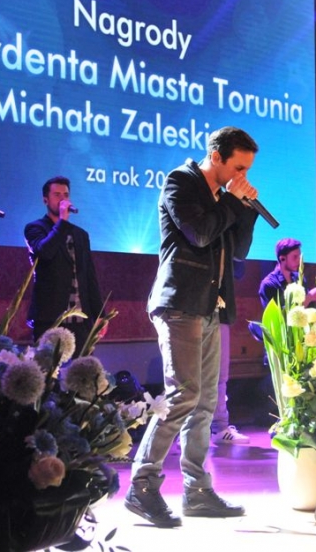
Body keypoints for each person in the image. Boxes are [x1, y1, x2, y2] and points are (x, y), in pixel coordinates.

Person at [126, 126, 260, 528]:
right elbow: (199, 234)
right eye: (238, 167)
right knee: (182, 395)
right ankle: (142, 484)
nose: (242, 176)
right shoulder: (180, 181)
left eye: (247, 170)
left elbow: (238, 251)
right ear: (216, 157)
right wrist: (232, 201)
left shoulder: (224, 197)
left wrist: (246, 211)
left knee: (204, 403)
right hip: (180, 302)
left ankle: (197, 490)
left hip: (210, 306)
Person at [24, 176, 105, 350]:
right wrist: (62, 222)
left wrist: (100, 314)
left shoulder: (81, 234)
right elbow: (45, 252)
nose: (62, 199)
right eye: (57, 195)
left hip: (81, 319)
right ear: (45, 199)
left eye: (66, 195)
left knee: (82, 365)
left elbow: (90, 276)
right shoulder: (35, 228)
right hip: (50, 318)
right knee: (48, 366)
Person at [212, 259, 250, 445]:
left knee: (220, 376)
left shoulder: (227, 246)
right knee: (193, 377)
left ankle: (219, 428)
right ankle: (189, 431)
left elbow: (238, 270)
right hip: (192, 310)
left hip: (219, 311)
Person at [258, 238, 316, 311]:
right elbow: (277, 315)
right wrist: (308, 298)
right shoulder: (268, 284)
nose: (299, 261)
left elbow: (308, 309)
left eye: (299, 257)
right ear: (282, 259)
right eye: (295, 257)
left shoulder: (299, 278)